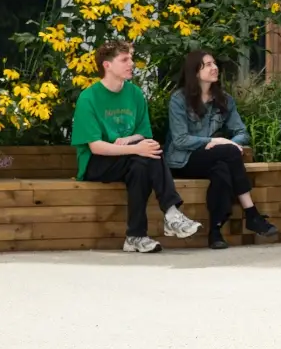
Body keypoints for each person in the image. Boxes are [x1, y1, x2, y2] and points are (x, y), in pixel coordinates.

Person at [71, 40, 203, 254]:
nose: (131, 63)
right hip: (97, 164)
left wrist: (132, 140)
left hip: (129, 158)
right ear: (107, 65)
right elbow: (96, 147)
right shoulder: (89, 98)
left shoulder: (134, 93)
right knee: (144, 155)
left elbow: (143, 133)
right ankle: (169, 214)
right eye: (124, 59)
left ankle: (137, 235)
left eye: (131, 58)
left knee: (143, 162)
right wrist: (135, 148)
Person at [165, 51, 280, 249]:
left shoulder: (224, 99)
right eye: (207, 65)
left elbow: (242, 132)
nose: (214, 67)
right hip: (184, 160)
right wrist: (214, 141)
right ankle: (251, 214)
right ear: (194, 72)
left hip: (213, 157)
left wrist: (228, 143)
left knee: (222, 170)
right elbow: (180, 140)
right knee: (229, 153)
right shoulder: (179, 100)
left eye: (214, 63)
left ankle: (215, 232)